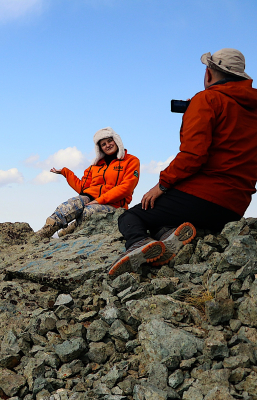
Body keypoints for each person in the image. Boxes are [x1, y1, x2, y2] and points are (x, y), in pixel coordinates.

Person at [109, 48, 257, 278]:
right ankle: (170, 235)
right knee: (164, 219)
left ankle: (138, 243)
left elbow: (193, 155)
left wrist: (162, 185)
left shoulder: (207, 99)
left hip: (204, 196)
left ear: (209, 73)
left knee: (133, 216)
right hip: (234, 207)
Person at [35, 128, 140, 238]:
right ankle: (44, 232)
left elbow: (126, 187)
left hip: (114, 205)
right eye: (103, 144)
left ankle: (71, 229)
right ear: (100, 148)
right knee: (71, 204)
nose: (107, 145)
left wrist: (99, 200)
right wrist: (65, 173)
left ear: (116, 140)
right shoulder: (94, 166)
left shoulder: (131, 161)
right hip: (90, 198)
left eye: (110, 141)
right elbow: (83, 189)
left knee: (88, 211)